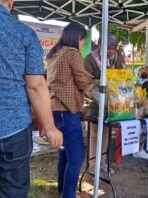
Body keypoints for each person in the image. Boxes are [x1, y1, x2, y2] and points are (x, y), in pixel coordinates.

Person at [0, 0, 63, 197]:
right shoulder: (24, 33)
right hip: (12, 133)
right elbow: (36, 86)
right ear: (11, 2)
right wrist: (50, 128)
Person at [46, 22, 96, 197]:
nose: (82, 45)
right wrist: (99, 83)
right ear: (77, 38)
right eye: (83, 41)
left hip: (54, 110)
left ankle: (62, 190)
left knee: (65, 154)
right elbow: (82, 79)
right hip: (67, 111)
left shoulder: (54, 53)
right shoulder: (72, 53)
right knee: (76, 157)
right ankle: (68, 195)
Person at [84, 33, 125, 173]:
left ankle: (102, 163)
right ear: (101, 46)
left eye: (113, 48)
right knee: (95, 134)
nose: (110, 52)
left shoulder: (117, 58)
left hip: (112, 102)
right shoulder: (90, 59)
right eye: (108, 48)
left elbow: (122, 76)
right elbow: (85, 84)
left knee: (106, 132)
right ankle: (93, 165)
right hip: (94, 102)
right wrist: (98, 82)